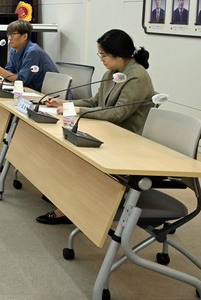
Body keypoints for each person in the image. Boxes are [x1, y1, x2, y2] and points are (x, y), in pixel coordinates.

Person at [37, 29, 155, 225]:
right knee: (63, 146)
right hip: (105, 129)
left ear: (119, 55)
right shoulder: (113, 73)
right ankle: (64, 193)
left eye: (104, 55)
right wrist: (65, 104)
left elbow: (118, 114)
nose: (101, 59)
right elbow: (94, 102)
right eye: (100, 54)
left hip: (124, 139)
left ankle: (69, 208)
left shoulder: (137, 77)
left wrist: (76, 110)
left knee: (78, 153)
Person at [0, 20, 59, 92]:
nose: (9, 38)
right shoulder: (14, 50)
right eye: (9, 34)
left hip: (47, 94)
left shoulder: (33, 51)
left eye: (13, 35)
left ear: (24, 36)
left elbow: (22, 80)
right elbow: (9, 73)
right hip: (30, 90)